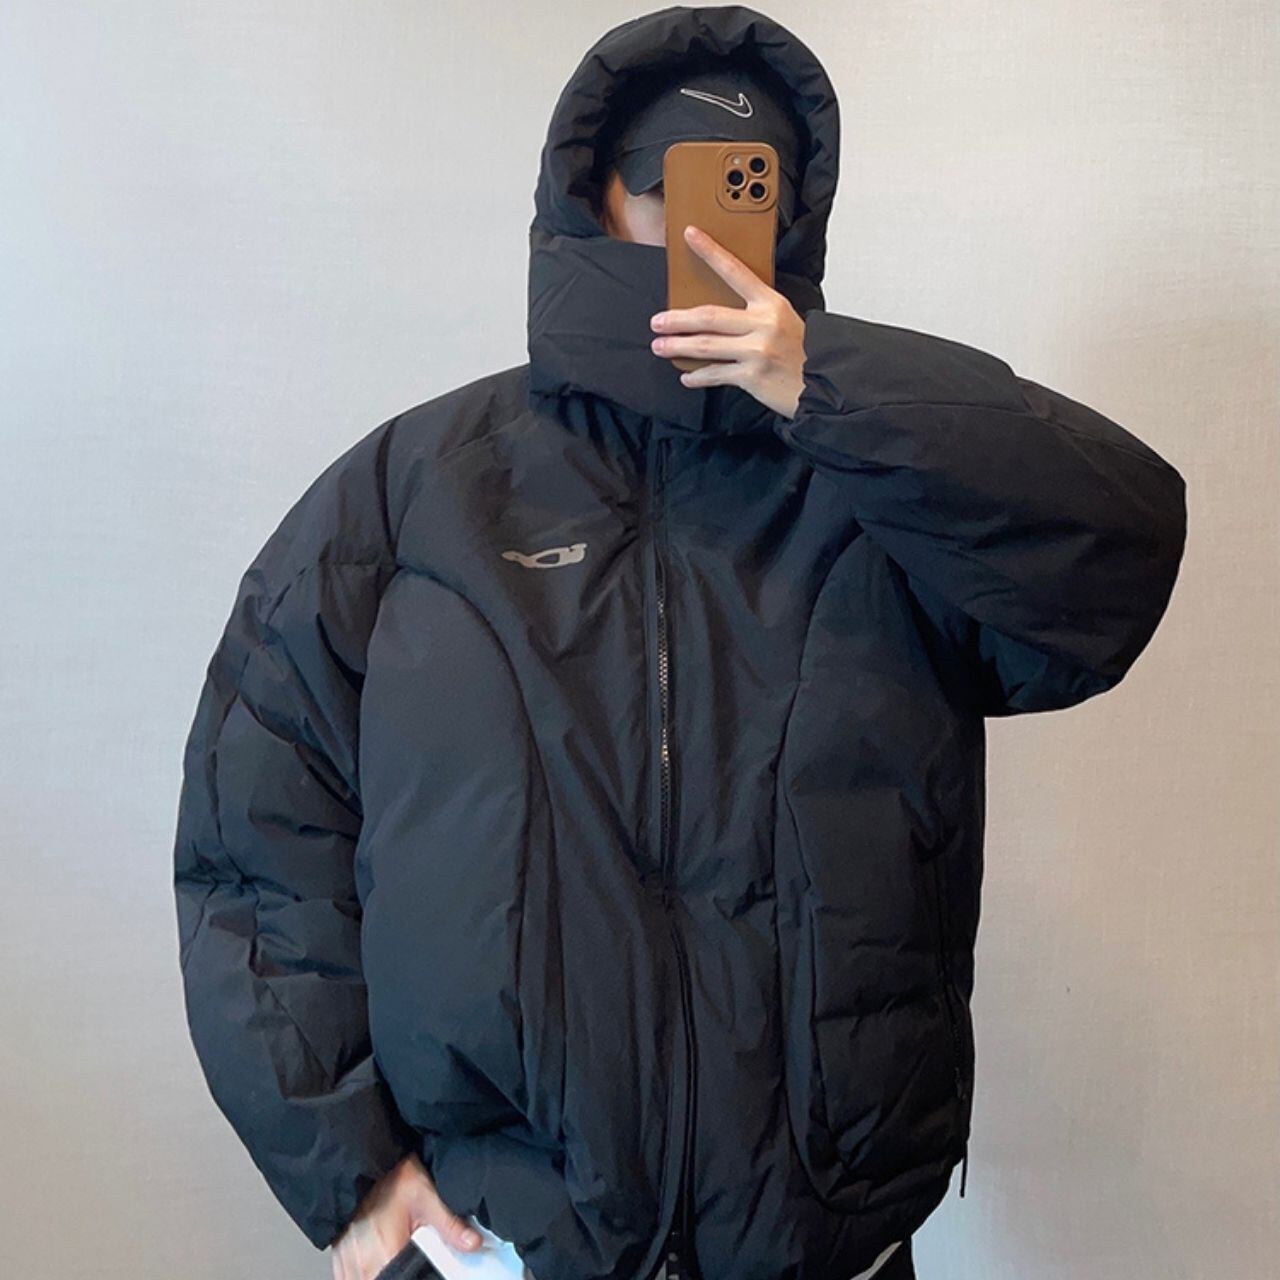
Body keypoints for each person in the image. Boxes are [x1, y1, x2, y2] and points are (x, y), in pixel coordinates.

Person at [172, 7, 1187, 1280]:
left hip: (823, 1241)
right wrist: (352, 1168)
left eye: (753, 195)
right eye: (673, 190)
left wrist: (830, 386)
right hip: (510, 1240)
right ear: (591, 196)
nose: (713, 233)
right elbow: (253, 843)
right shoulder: (413, 498)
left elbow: (1108, 563)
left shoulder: (879, 490)